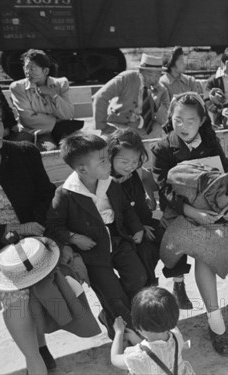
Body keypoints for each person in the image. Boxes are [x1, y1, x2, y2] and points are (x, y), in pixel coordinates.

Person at [151, 92, 228, 357]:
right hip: (185, 215)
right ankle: (215, 323)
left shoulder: (209, 141)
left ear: (201, 122)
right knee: (207, 251)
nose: (183, 126)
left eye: (190, 120)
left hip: (217, 207)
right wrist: (192, 212)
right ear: (170, 118)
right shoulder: (163, 148)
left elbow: (227, 175)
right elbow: (165, 191)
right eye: (178, 119)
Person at [46, 132, 148, 338]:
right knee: (113, 296)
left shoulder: (110, 183)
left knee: (138, 277)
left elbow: (126, 210)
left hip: (118, 241)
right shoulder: (65, 194)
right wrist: (74, 238)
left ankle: (120, 319)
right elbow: (53, 227)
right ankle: (126, 336)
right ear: (82, 168)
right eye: (102, 160)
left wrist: (136, 227)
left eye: (107, 157)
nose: (108, 163)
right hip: (93, 253)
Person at [0, 99, 57, 374]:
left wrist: (32, 228)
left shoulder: (24, 153)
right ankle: (34, 358)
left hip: (32, 240)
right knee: (14, 292)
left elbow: (46, 194)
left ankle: (39, 345)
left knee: (34, 280)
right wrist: (12, 231)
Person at [106, 128, 193, 308]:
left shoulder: (135, 172)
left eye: (135, 160)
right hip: (125, 232)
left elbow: (147, 176)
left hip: (146, 221)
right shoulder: (105, 182)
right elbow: (116, 216)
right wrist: (139, 228)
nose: (130, 165)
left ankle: (179, 285)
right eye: (124, 161)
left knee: (175, 238)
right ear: (110, 158)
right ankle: (150, 294)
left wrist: (150, 196)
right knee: (146, 251)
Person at [111, 287, 195, 375]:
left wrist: (119, 332)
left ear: (138, 327)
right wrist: (134, 338)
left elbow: (115, 359)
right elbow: (155, 352)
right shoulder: (176, 335)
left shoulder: (137, 357)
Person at [9, 49, 81, 151]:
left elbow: (68, 114)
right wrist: (56, 121)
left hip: (61, 130)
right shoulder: (17, 87)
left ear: (45, 71)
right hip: (33, 131)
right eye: (26, 68)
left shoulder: (61, 84)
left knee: (77, 148)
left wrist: (53, 95)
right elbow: (27, 118)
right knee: (48, 150)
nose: (27, 72)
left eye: (32, 68)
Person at [93, 54, 169, 138]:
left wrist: (157, 101)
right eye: (150, 75)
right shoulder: (126, 78)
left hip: (144, 130)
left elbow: (164, 121)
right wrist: (103, 127)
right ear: (140, 71)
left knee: (161, 134)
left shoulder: (162, 90)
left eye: (157, 75)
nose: (153, 79)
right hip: (118, 126)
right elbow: (100, 96)